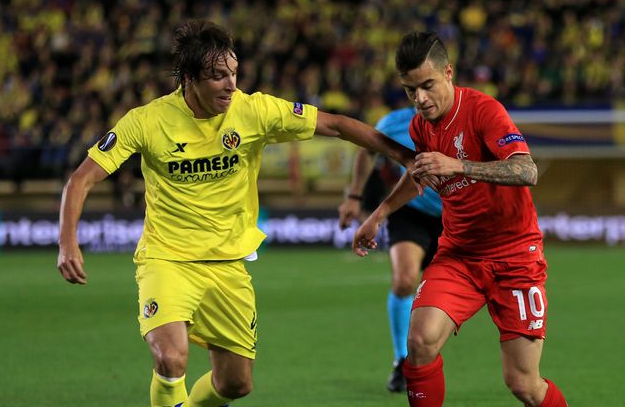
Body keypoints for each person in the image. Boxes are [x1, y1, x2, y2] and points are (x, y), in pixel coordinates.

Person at [56, 20, 420, 407]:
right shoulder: (147, 121)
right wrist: (67, 243)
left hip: (228, 264)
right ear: (188, 78)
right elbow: (80, 180)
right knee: (171, 355)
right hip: (167, 258)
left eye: (233, 73)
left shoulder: (254, 110)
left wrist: (403, 155)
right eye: (217, 76)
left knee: (235, 384)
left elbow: (336, 125)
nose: (230, 84)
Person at [353, 31, 568, 407]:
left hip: (515, 256)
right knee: (419, 342)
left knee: (523, 383)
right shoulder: (421, 126)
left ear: (448, 73)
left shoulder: (484, 111)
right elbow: (420, 174)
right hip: (460, 256)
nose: (419, 99)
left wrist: (459, 164)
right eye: (409, 90)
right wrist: (379, 214)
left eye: (426, 85)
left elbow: (526, 171)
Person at [338, 106, 442, 393]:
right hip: (410, 212)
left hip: (459, 215)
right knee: (404, 279)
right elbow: (366, 150)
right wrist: (354, 196)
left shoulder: (464, 117)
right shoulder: (394, 123)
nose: (420, 95)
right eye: (412, 88)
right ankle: (403, 360)